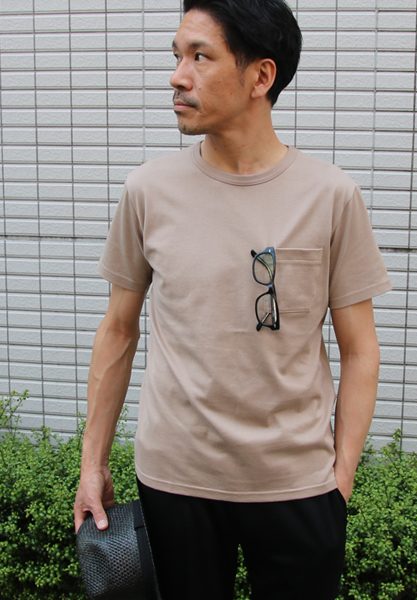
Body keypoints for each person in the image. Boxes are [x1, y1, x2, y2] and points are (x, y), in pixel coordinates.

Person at [73, 0, 392, 598]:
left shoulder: (330, 196)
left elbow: (360, 348)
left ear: (260, 76)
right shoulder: (148, 190)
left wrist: (340, 478)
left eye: (200, 57)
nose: (177, 76)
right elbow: (118, 329)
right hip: (175, 479)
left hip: (298, 483)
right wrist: (93, 465)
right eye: (177, 56)